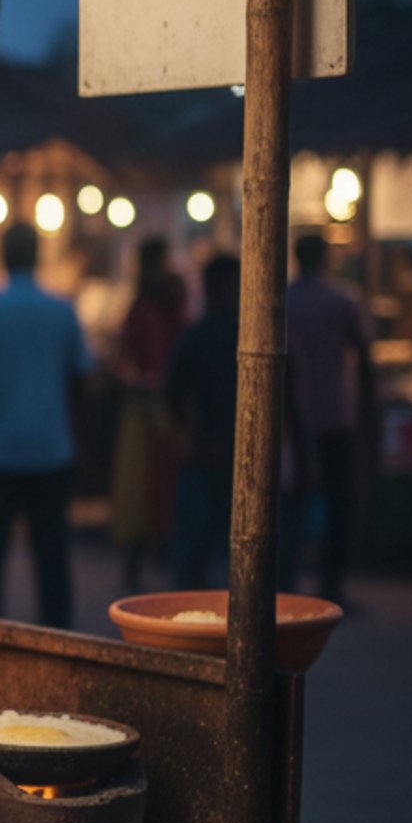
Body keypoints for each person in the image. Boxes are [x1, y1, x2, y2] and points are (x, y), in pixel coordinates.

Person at [0, 222, 91, 629]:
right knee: (51, 553)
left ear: (2, 255)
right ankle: (57, 634)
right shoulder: (61, 309)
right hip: (51, 448)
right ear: (37, 254)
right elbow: (79, 381)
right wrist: (85, 443)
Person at [283, 233, 373, 608]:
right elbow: (365, 358)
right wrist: (369, 411)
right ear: (325, 259)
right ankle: (330, 585)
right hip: (336, 414)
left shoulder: (284, 299)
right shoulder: (343, 300)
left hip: (292, 415)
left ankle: (285, 585)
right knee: (339, 503)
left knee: (292, 502)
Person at [108, 238, 186, 588]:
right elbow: (125, 355)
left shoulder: (169, 299)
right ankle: (137, 570)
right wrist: (138, 378)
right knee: (140, 489)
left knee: (160, 486)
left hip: (166, 404)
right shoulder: (145, 305)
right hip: (146, 406)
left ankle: (167, 569)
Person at [168, 254, 242, 588]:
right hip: (229, 451)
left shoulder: (195, 334)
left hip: (203, 449)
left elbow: (172, 394)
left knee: (196, 549)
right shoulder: (242, 334)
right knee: (234, 548)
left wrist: (186, 434)